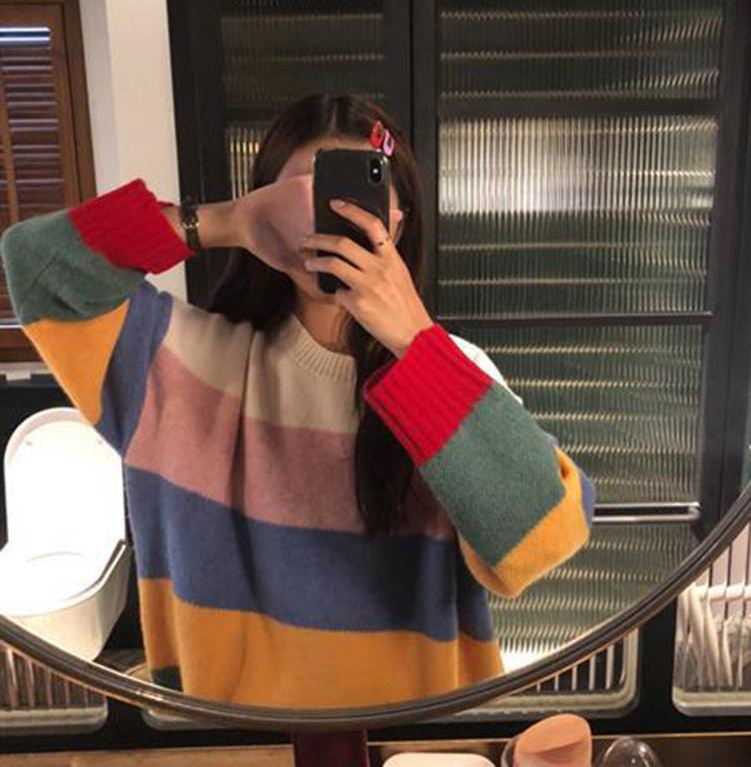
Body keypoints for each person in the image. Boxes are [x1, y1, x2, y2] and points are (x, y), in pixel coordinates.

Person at [0, 93, 595, 709]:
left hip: (411, 746)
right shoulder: (178, 364)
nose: (330, 214)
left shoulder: (451, 373)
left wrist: (413, 339)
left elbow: (543, 540)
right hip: (234, 746)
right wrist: (226, 222)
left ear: (397, 222)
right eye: (302, 196)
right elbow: (37, 266)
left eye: (360, 193)